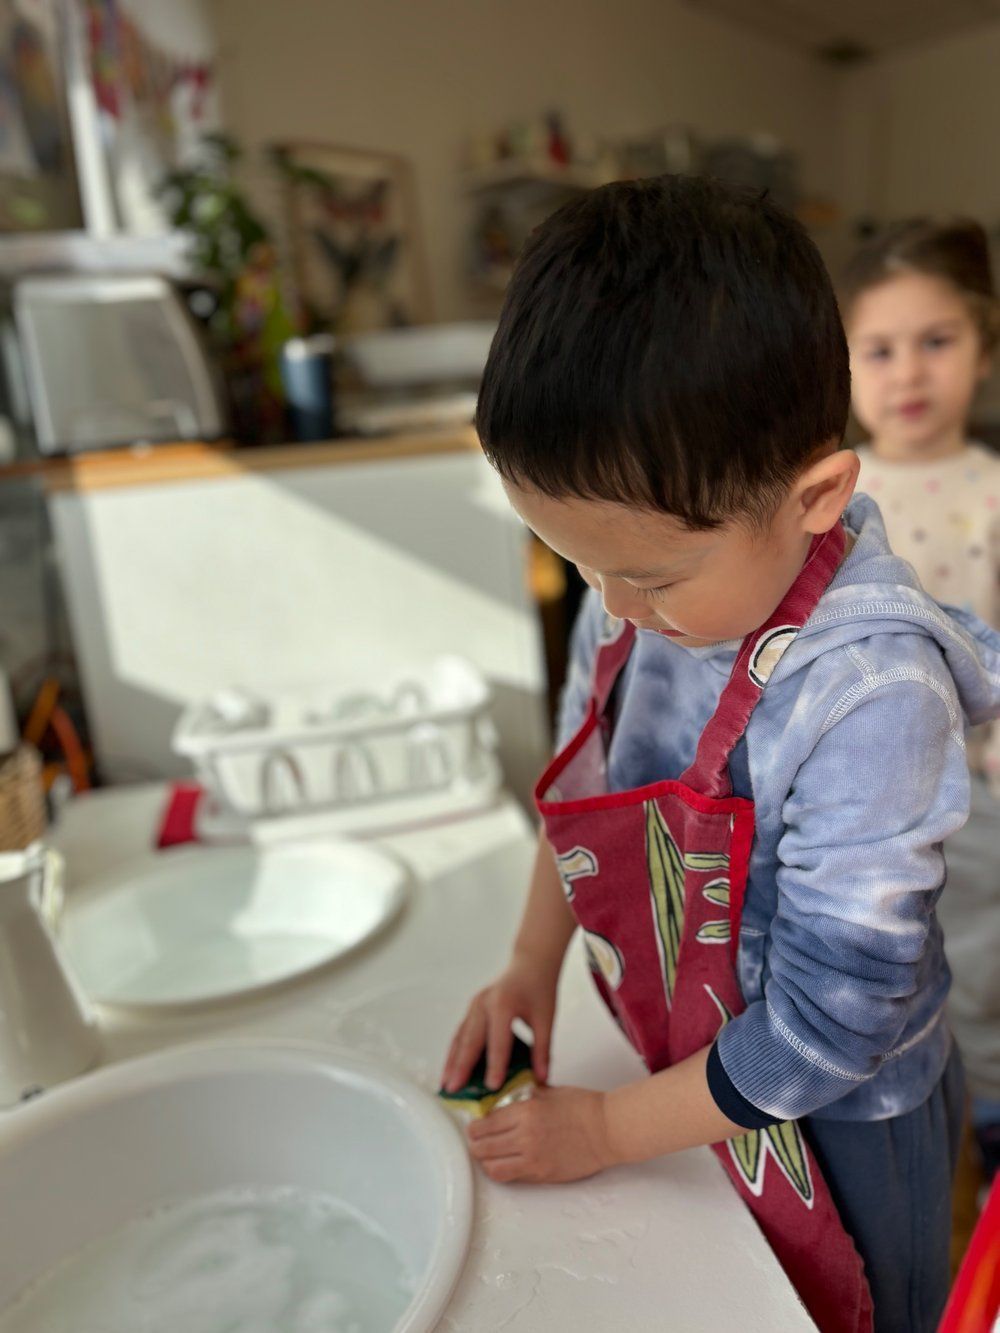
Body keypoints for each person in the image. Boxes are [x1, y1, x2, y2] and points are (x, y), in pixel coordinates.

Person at [439, 176, 1000, 1333]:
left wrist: (604, 1128)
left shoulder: (871, 692)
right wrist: (527, 965)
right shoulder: (638, 582)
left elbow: (826, 1030)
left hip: (840, 1118)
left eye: (647, 575)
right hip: (674, 1056)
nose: (611, 608)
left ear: (815, 496)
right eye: (574, 563)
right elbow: (587, 783)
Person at [844, 219, 1000, 1181]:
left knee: (977, 967)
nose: (909, 371)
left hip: (972, 791)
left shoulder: (992, 489)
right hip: (860, 801)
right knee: (884, 985)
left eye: (936, 341)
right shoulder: (828, 491)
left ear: (982, 350)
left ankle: (986, 1121)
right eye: (880, 348)